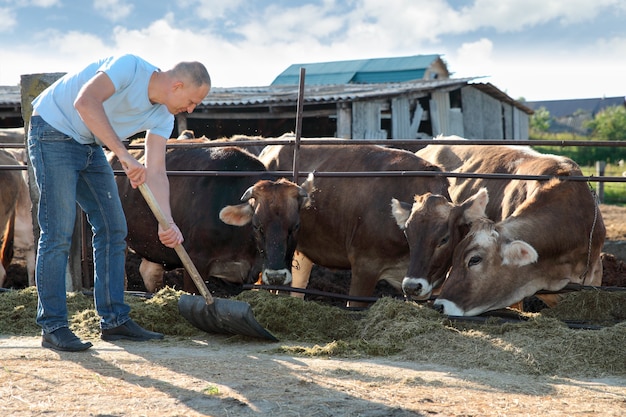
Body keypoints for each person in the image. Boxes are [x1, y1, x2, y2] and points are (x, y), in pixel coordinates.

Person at [27, 54, 211, 352]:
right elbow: (85, 102)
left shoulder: (163, 116)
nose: (190, 110)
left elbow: (156, 172)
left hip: (90, 143)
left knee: (114, 229)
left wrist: (168, 221)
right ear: (177, 85)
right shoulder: (129, 67)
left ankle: (114, 321)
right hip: (52, 132)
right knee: (58, 233)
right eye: (191, 102)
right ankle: (53, 326)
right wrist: (123, 155)